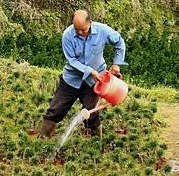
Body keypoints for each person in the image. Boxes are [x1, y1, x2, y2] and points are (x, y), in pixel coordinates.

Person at [40, 9, 127, 138]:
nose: (80, 32)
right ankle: (43, 138)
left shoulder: (102, 31)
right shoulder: (67, 35)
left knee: (92, 115)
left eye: (83, 29)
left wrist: (116, 64)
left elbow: (119, 42)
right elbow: (72, 61)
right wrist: (89, 71)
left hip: (94, 82)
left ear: (90, 22)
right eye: (77, 30)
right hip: (71, 80)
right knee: (55, 110)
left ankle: (96, 143)